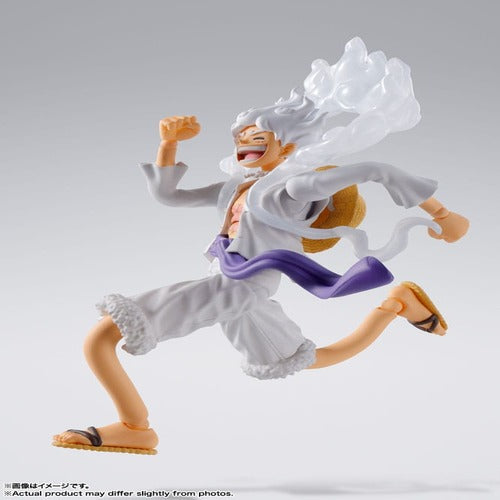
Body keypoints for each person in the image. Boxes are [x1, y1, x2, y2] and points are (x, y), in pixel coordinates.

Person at [52, 39, 469, 455]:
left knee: (102, 337)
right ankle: (397, 305)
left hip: (239, 286)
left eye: (257, 136)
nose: (244, 143)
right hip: (234, 281)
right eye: (241, 137)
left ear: (287, 147)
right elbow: (170, 196)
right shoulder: (238, 187)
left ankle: (135, 426)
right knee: (304, 358)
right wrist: (168, 144)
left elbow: (376, 169)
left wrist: (444, 215)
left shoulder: (294, 186)